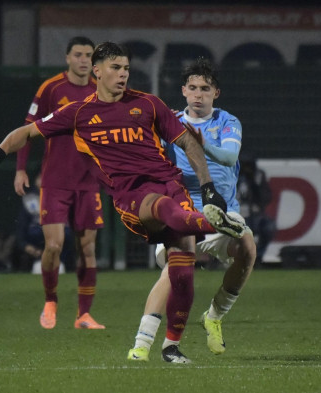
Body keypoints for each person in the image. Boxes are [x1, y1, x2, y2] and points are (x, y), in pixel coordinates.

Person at [0, 41, 247, 362]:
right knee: (166, 211)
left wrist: (208, 187)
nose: (123, 74)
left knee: (183, 275)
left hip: (171, 183)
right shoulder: (78, 112)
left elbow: (188, 141)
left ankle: (168, 348)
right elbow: (28, 131)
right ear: (97, 71)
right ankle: (213, 222)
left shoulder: (148, 104)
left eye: (127, 69)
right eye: (116, 68)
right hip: (132, 195)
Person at [127, 58, 256, 363]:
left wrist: (199, 145)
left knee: (248, 248)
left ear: (216, 93)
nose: (199, 94)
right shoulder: (168, 121)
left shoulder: (228, 122)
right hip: (182, 209)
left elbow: (228, 157)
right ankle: (143, 344)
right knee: (174, 273)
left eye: (205, 89)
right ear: (184, 90)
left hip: (221, 212)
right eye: (193, 88)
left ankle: (214, 315)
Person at [13, 36, 105, 330]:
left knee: (87, 248)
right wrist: (20, 169)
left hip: (89, 182)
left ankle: (83, 315)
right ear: (67, 57)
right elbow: (28, 129)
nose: (83, 60)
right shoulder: (51, 88)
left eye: (89, 55)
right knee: (53, 245)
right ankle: (50, 301)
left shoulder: (101, 91)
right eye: (78, 54)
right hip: (55, 180)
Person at [14, 174, 74, 273]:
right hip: (36, 243)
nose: (44, 180)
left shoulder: (62, 197)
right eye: (41, 177)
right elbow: (22, 226)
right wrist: (26, 246)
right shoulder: (29, 199)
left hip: (59, 243)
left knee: (65, 234)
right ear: (36, 180)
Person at [237, 152, 276, 264]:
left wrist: (254, 184)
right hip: (234, 212)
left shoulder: (258, 175)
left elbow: (266, 197)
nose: (246, 168)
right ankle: (218, 259)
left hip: (254, 213)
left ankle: (257, 257)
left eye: (248, 165)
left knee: (268, 227)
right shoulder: (230, 174)